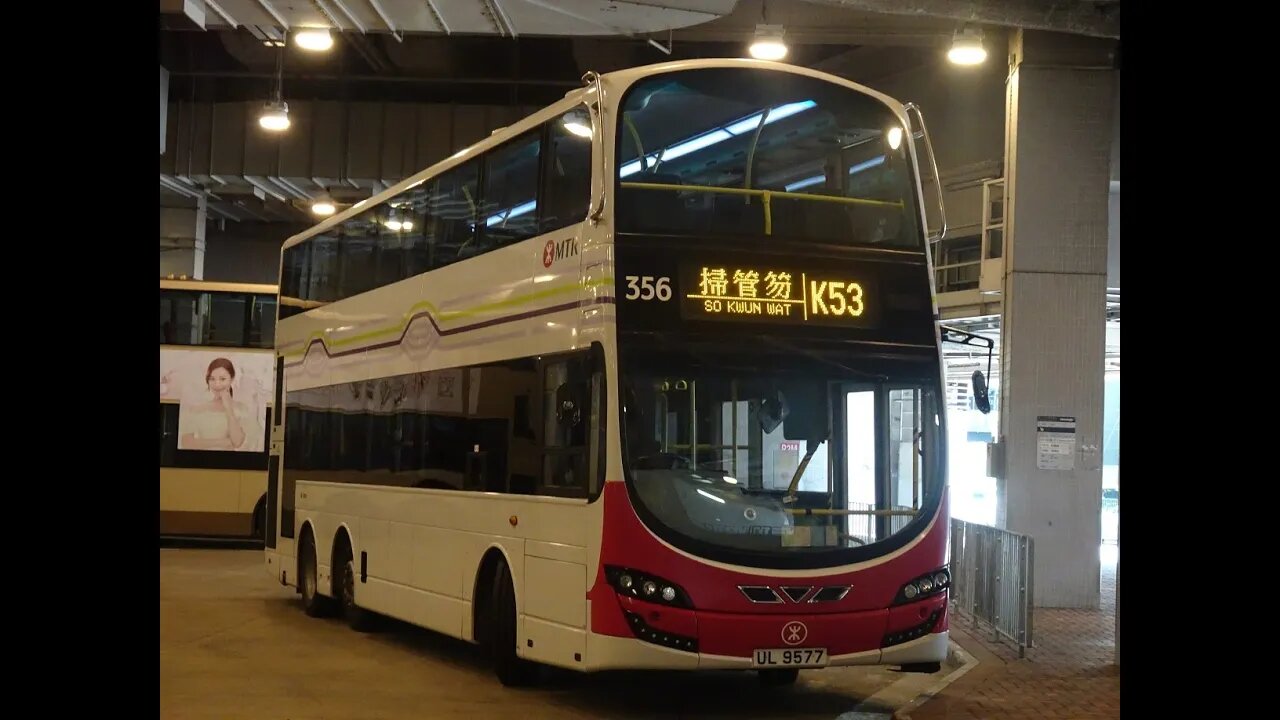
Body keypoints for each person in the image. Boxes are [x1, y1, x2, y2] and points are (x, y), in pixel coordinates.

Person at [179, 358, 256, 451]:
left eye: (222, 379)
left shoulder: (241, 409)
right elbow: (186, 442)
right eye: (212, 379)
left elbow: (237, 442)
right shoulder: (197, 409)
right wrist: (224, 442)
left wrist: (228, 408)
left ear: (231, 379)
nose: (217, 384)